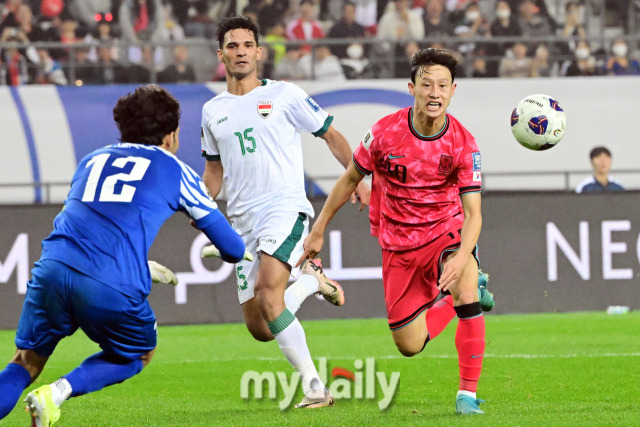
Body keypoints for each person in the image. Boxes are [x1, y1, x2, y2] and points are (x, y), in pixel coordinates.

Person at [0, 84, 246, 425]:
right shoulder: (175, 170)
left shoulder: (92, 159)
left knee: (25, 361)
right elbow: (233, 249)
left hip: (53, 268)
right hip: (109, 284)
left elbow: (93, 223)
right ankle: (55, 394)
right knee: (140, 354)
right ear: (172, 135)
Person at [298, 48, 494, 415]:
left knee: (463, 277)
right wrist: (319, 229)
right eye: (426, 84)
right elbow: (348, 181)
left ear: (453, 91)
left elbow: (473, 215)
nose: (434, 92)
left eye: (442, 85)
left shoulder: (464, 144)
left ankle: (467, 394)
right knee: (409, 344)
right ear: (411, 88)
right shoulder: (384, 133)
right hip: (398, 245)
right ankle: (457, 299)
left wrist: (464, 255)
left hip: (444, 232)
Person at [201, 16, 370, 409]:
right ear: (221, 54)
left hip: (284, 208)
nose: (240, 51)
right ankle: (310, 282)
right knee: (261, 326)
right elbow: (214, 173)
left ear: (259, 52)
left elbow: (331, 133)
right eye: (232, 45)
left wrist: (358, 177)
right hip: (241, 221)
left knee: (267, 291)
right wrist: (198, 202)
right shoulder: (212, 111)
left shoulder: (284, 95)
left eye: (247, 45)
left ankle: (315, 388)